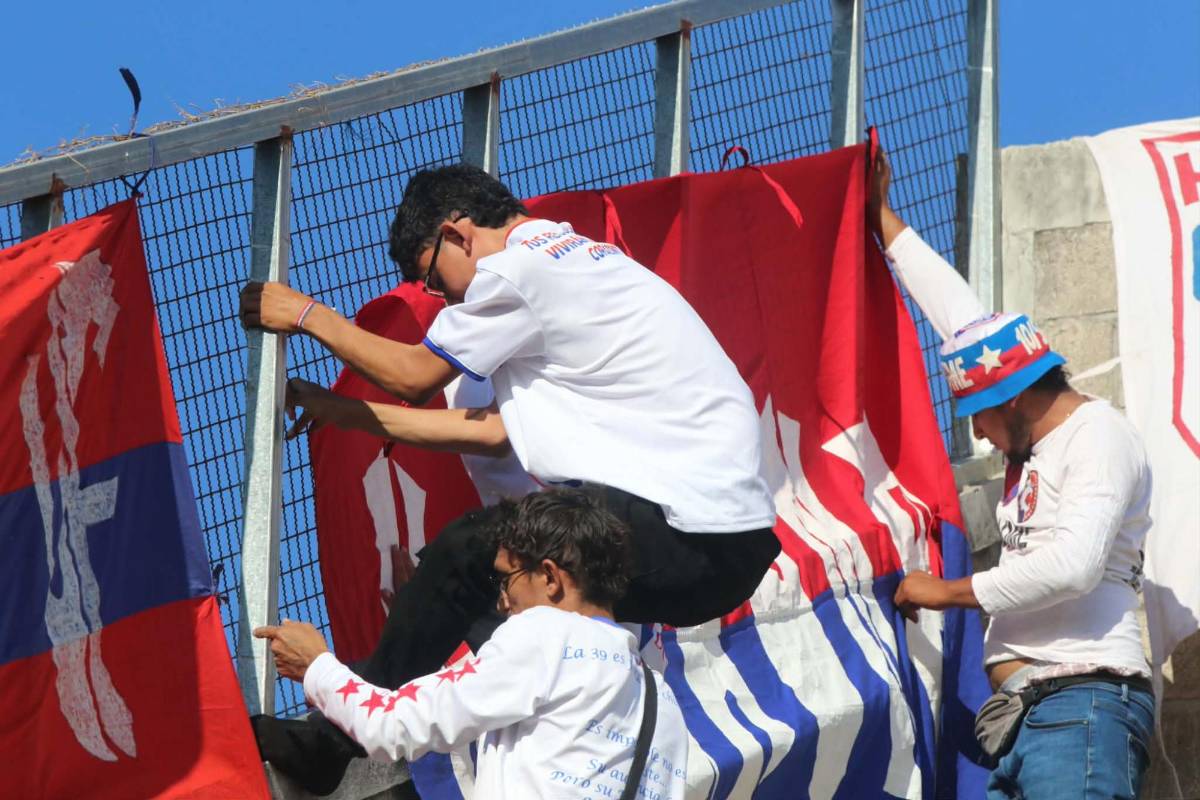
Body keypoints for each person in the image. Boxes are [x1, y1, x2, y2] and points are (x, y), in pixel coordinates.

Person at [240, 164, 780, 793]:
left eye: (433, 281)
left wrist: (304, 313)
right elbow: (492, 430)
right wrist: (347, 414)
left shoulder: (517, 270)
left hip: (687, 530)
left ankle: (336, 738)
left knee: (481, 549)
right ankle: (425, 757)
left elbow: (416, 375)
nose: (444, 302)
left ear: (457, 233)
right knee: (498, 597)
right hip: (721, 544)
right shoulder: (573, 256)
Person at [874, 152, 1155, 798]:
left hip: (1084, 707)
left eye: (978, 415)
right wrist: (881, 219)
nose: (975, 434)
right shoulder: (1025, 430)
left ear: (1012, 399)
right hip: (1033, 720)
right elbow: (956, 312)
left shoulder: (1099, 436)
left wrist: (946, 592)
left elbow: (1075, 564)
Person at [255, 489, 688, 800]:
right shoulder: (660, 696)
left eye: (506, 580)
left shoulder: (544, 636)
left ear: (552, 577)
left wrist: (315, 664)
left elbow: (391, 725)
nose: (501, 602)